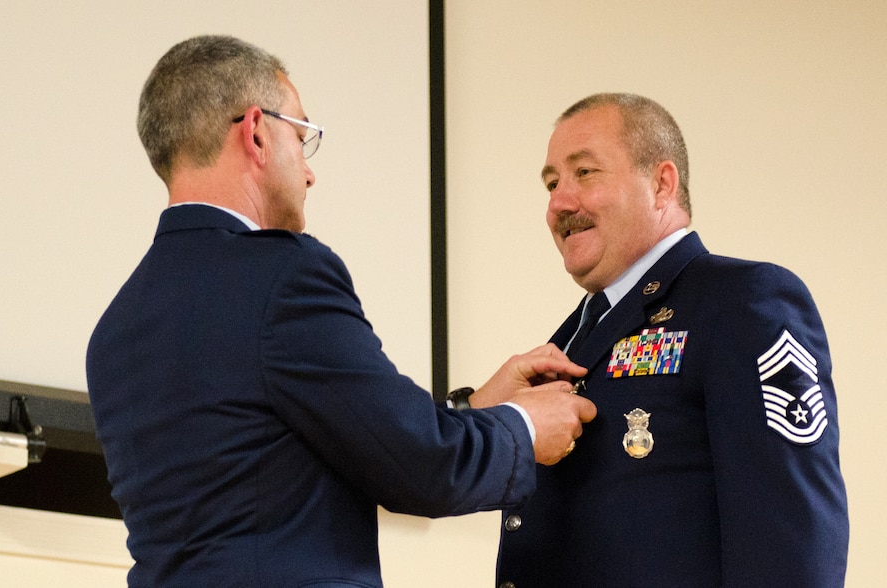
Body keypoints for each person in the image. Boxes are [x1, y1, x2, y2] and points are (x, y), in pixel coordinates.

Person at [86, 35, 596, 587]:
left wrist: (474, 407)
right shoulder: (283, 276)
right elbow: (420, 466)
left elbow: (297, 448)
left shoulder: (116, 328)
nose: (309, 172)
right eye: (302, 137)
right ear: (256, 132)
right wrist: (525, 426)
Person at [488, 93, 849, 587]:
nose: (559, 203)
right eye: (551, 183)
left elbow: (791, 535)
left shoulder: (742, 302)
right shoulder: (572, 338)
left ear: (661, 184)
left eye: (584, 173)